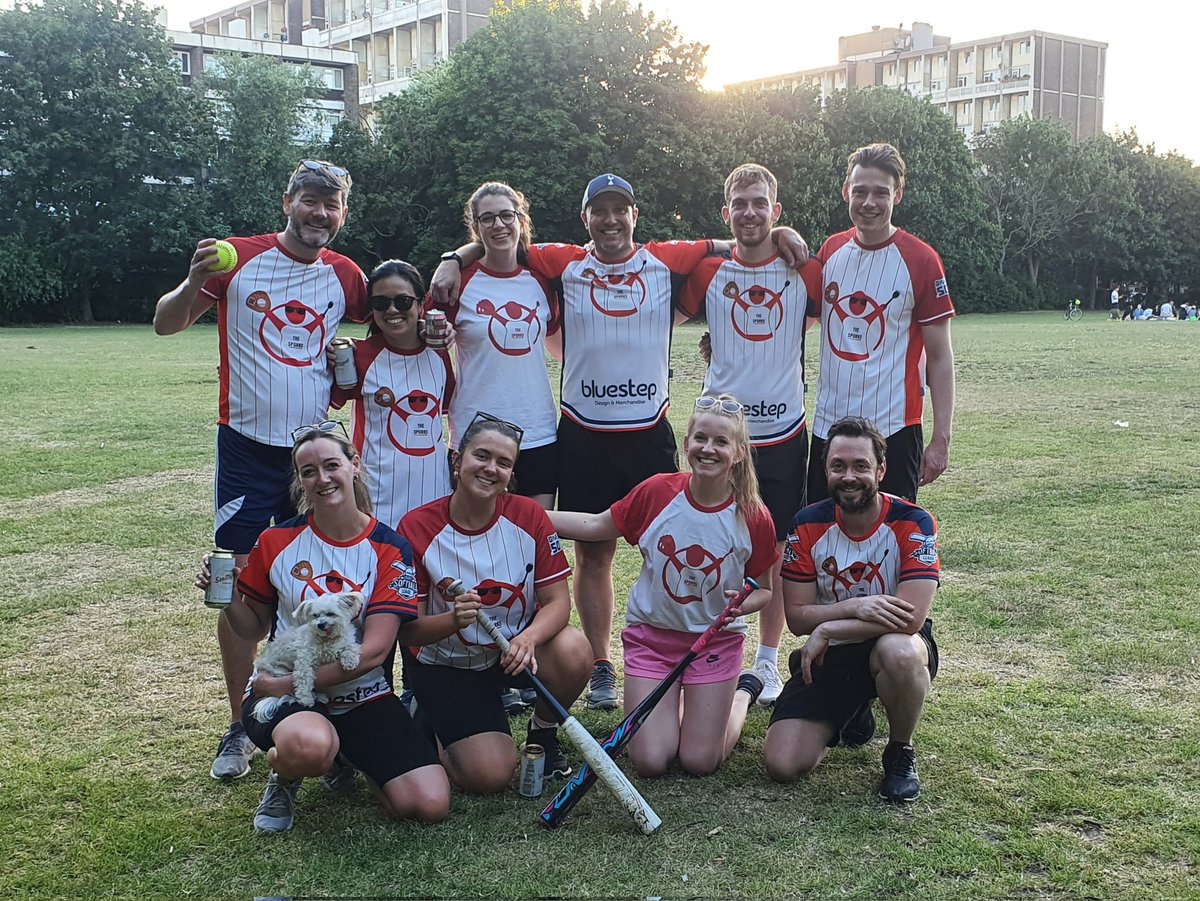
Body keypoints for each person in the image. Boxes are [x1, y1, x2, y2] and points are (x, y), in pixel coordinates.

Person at [431, 173, 806, 712]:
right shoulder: (562, 261)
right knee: (594, 553)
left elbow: (734, 241)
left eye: (619, 210)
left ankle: (684, 652)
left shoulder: (666, 259)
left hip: (649, 433)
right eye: (599, 211)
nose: (610, 220)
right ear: (585, 218)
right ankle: (603, 663)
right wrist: (453, 256)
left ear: (634, 215)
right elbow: (501, 240)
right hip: (584, 431)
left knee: (679, 543)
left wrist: (782, 231)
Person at [154, 159, 367, 781]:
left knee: (320, 582)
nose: (319, 213)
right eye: (310, 200)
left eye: (331, 204)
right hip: (246, 449)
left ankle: (320, 714)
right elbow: (166, 323)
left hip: (314, 455)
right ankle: (240, 722)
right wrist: (194, 281)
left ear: (342, 213)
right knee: (239, 586)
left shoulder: (345, 275)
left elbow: (389, 313)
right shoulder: (236, 259)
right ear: (287, 202)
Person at [209, 422, 460, 831]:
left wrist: (285, 683)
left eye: (331, 465)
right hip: (286, 696)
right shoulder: (275, 541)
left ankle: (347, 754)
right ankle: (286, 773)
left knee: (428, 804)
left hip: (357, 694)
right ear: (300, 481)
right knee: (310, 746)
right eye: (309, 472)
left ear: (354, 464)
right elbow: (251, 630)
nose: (322, 479)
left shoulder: (389, 547)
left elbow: (374, 653)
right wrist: (228, 598)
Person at [548, 395, 776, 776]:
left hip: (714, 644)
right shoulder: (657, 492)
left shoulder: (752, 515)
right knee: (651, 761)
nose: (708, 449)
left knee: (700, 761)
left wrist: (743, 604)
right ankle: (684, 705)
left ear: (738, 453)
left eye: (721, 442)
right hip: (652, 641)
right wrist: (527, 514)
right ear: (686, 444)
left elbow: (764, 589)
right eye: (701, 438)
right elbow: (596, 525)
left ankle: (741, 694)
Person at [680, 163, 824, 709]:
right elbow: (661, 311)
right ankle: (709, 644)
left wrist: (790, 240)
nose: (750, 212)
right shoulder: (708, 271)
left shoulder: (802, 268)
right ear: (725, 213)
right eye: (739, 203)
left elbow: (821, 315)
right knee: (713, 539)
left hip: (783, 432)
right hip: (720, 433)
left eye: (760, 203)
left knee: (776, 549)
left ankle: (766, 660)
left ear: (775, 210)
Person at [399, 413, 592, 790]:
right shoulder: (417, 526)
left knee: (574, 651)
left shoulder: (529, 515)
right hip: (448, 663)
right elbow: (408, 632)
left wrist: (529, 638)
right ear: (457, 460)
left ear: (511, 473)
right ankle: (431, 719)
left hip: (510, 653)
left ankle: (543, 734)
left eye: (504, 462)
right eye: (482, 456)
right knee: (488, 778)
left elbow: (557, 603)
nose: (491, 469)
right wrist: (453, 621)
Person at [764, 416, 941, 802]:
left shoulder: (913, 521)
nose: (849, 476)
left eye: (861, 465)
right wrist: (857, 605)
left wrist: (830, 628)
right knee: (782, 764)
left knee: (898, 650)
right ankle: (853, 714)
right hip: (833, 655)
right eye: (838, 466)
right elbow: (797, 617)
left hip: (889, 642)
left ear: (881, 469)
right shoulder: (806, 524)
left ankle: (900, 752)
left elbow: (910, 618)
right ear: (825, 470)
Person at [807, 143, 956, 506]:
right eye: (860, 192)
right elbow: (800, 321)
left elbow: (940, 358)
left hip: (893, 430)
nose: (869, 202)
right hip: (829, 430)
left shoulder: (921, 259)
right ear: (846, 192)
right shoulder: (830, 251)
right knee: (821, 533)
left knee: (891, 535)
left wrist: (942, 439)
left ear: (897, 195)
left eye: (880, 193)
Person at [424, 182, 560, 510]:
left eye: (506, 215)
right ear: (476, 228)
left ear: (521, 221)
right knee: (473, 530)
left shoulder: (541, 281)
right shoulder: (457, 282)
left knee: (533, 530)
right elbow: (423, 337)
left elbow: (563, 347)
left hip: (537, 431)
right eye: (487, 218)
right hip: (475, 432)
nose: (498, 224)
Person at [333, 259, 454, 531]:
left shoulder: (438, 353)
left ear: (420, 305)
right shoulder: (359, 355)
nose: (392, 310)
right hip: (376, 497)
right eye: (381, 303)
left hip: (433, 494)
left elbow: (443, 413)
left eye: (403, 301)